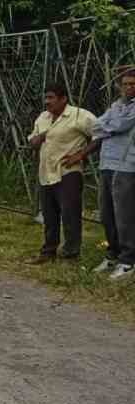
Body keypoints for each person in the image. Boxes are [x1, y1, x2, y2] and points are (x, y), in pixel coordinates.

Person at [69, 69, 135, 281]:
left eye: (133, 84)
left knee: (125, 215)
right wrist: (109, 127)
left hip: (127, 165)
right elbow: (96, 126)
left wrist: (108, 126)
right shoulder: (116, 105)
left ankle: (128, 260)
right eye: (125, 84)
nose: (129, 87)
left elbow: (120, 124)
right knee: (107, 213)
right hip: (107, 163)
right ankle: (112, 255)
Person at [25, 83, 96, 265]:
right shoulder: (43, 117)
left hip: (68, 171)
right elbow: (32, 141)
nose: (47, 102)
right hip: (46, 172)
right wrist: (39, 138)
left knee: (70, 214)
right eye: (46, 98)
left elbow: (100, 134)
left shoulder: (79, 115)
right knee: (49, 215)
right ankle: (48, 251)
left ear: (63, 99)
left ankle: (71, 254)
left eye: (51, 98)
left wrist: (81, 154)